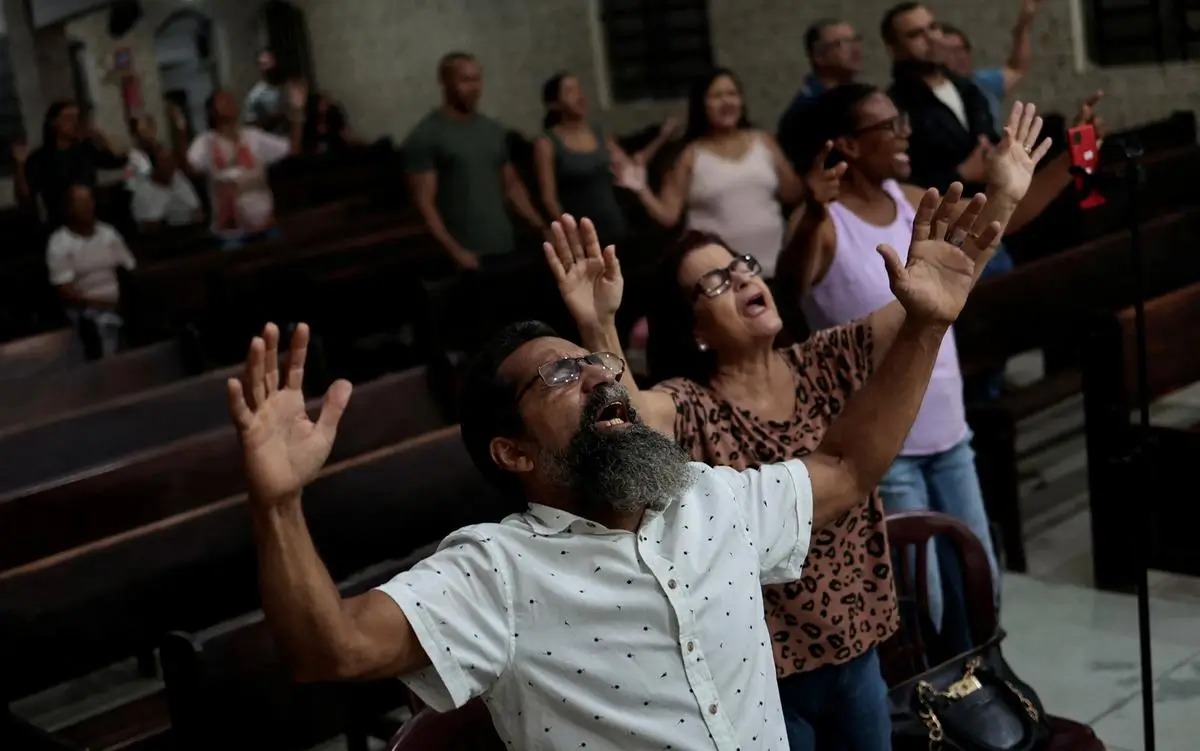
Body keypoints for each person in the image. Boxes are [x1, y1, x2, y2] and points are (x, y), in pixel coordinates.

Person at [227, 180, 1002, 747]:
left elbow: (845, 467)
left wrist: (926, 327)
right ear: (514, 450)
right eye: (562, 375)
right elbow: (332, 648)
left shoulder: (707, 499)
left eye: (598, 363)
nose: (600, 373)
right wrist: (278, 505)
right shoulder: (498, 571)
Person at [542, 100, 1046, 750]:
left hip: (858, 654)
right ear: (693, 331)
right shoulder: (690, 404)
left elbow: (937, 293)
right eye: (715, 283)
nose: (743, 277)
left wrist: (1001, 196)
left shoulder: (826, 361)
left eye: (744, 265)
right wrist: (598, 323)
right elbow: (629, 415)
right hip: (760, 675)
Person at [781, 91, 1054, 658]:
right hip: (884, 444)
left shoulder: (911, 201)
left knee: (981, 585)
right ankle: (934, 721)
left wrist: (1009, 188)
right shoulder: (823, 222)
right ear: (849, 147)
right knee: (921, 604)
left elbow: (980, 247)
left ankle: (987, 700)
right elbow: (787, 295)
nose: (906, 132)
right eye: (892, 123)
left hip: (949, 430)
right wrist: (808, 217)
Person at [619, 68, 804, 279]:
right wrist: (641, 188)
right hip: (723, 278)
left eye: (732, 94)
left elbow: (793, 194)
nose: (726, 102)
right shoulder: (689, 155)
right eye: (716, 96)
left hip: (777, 268)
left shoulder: (764, 142)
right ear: (701, 105)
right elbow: (668, 216)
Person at [404, 51, 547, 271]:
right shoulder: (426, 136)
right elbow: (424, 204)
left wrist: (540, 227)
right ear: (445, 82)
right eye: (465, 80)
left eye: (477, 79)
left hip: (505, 245)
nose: (474, 87)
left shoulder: (492, 130)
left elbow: (512, 186)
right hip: (468, 252)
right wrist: (454, 250)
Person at [533, 71, 676, 246]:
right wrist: (570, 232)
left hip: (614, 226)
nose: (580, 96)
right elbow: (548, 198)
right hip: (580, 233)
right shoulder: (546, 143)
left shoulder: (599, 133)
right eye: (570, 91)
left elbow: (630, 167)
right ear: (554, 104)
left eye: (580, 89)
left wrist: (662, 137)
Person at [183, 84, 304, 249]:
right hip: (232, 233)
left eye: (230, 99)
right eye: (223, 100)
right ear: (212, 111)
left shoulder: (253, 136)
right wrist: (181, 132)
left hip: (265, 226)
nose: (229, 102)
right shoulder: (204, 142)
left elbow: (292, 149)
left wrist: (297, 114)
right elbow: (189, 168)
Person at [46, 184, 137, 358]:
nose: (88, 207)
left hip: (122, 303)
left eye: (90, 201)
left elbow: (130, 268)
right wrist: (103, 304)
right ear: (69, 209)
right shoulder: (59, 242)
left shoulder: (108, 233)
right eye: (81, 203)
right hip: (88, 310)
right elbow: (65, 291)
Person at [14, 100, 127, 229]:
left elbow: (119, 159)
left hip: (94, 221)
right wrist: (20, 165)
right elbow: (24, 196)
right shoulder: (41, 157)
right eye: (69, 118)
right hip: (61, 226)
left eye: (76, 118)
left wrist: (100, 136)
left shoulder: (86, 149)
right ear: (54, 123)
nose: (74, 123)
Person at [777, 19, 864, 170]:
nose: (855, 50)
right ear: (818, 56)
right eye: (842, 44)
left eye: (855, 40)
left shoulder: (860, 97)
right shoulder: (805, 112)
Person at [939, 0, 1041, 129]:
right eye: (951, 52)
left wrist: (1023, 26)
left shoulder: (981, 82)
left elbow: (1018, 68)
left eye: (962, 49)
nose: (960, 57)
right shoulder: (938, 94)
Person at [125, 115, 203, 229]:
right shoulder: (142, 189)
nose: (171, 168)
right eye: (166, 164)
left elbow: (197, 211)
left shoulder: (178, 178)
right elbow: (151, 228)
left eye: (172, 163)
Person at [244, 48, 291, 136]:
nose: (268, 67)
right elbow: (251, 125)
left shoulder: (289, 87)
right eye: (264, 64)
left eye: (270, 62)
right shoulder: (256, 96)